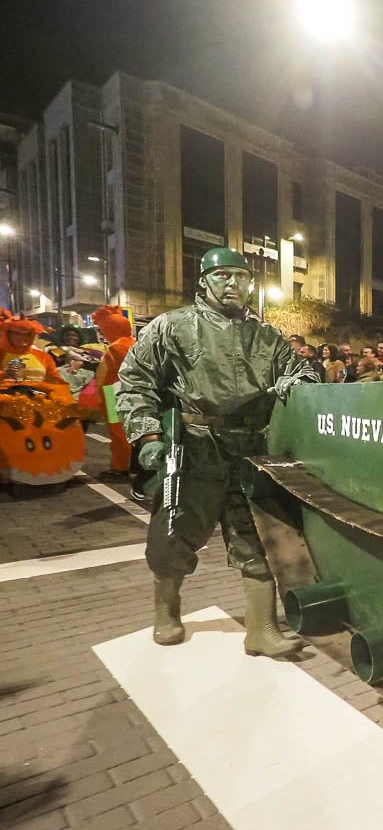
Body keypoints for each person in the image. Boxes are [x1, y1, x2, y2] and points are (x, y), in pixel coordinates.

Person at [116, 247, 320, 656]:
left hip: (251, 449)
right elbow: (134, 381)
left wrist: (295, 382)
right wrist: (147, 436)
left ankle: (261, 629)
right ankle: (166, 611)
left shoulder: (268, 335)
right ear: (205, 281)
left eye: (241, 277)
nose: (233, 284)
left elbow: (304, 369)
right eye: (223, 276)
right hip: (195, 448)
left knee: (258, 535)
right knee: (174, 533)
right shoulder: (170, 327)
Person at [91, 306, 136, 475]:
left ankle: (121, 466)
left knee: (118, 432)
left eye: (104, 329)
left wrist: (99, 397)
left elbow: (107, 376)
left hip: (114, 394)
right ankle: (131, 464)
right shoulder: (134, 343)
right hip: (132, 393)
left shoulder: (115, 348)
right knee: (130, 429)